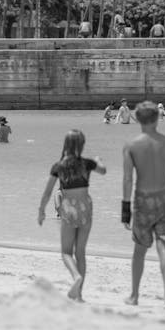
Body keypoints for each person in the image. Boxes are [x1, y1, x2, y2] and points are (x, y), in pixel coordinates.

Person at [122, 100, 165, 310]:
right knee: (164, 246)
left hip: (143, 199)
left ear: (137, 118)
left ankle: (135, 295)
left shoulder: (131, 145)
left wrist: (125, 210)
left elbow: (128, 179)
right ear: (157, 118)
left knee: (140, 249)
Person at [38, 129, 106, 301]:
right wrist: (99, 160)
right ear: (82, 145)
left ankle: (76, 276)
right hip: (85, 206)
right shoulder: (87, 163)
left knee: (66, 252)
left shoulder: (58, 166)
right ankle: (79, 295)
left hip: (68, 207)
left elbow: (47, 193)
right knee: (81, 252)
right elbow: (103, 171)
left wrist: (41, 211)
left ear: (65, 145)